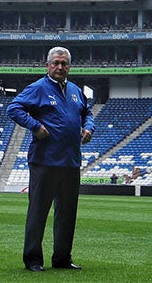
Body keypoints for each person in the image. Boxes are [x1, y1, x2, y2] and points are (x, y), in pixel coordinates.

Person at [7, 46, 95, 272]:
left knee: (67, 214)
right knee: (38, 212)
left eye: (64, 63)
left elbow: (87, 113)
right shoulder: (38, 88)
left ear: (69, 66)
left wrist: (89, 127)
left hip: (71, 161)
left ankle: (62, 259)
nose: (60, 67)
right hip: (44, 161)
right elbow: (14, 107)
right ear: (47, 65)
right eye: (55, 63)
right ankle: (33, 260)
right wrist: (34, 126)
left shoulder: (76, 90)